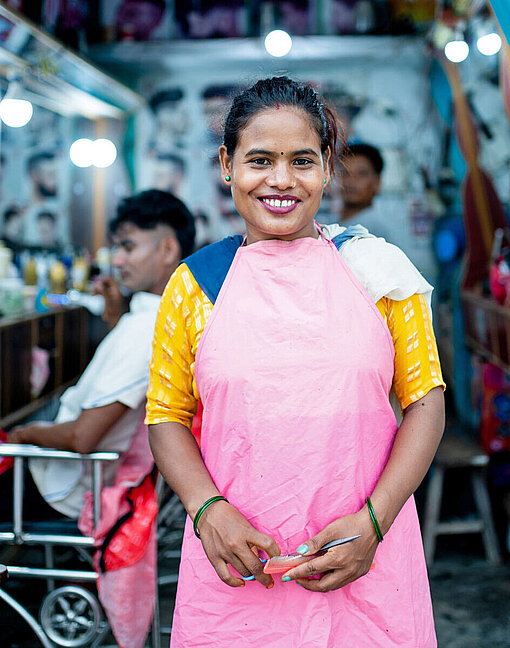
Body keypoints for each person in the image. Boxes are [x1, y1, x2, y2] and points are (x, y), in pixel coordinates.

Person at [146, 77, 445, 647]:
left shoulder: (380, 273)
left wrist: (373, 523)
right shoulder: (195, 285)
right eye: (260, 159)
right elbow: (166, 416)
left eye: (302, 160)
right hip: (236, 571)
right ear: (227, 164)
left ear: (327, 167)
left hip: (367, 563)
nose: (281, 180)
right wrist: (207, 508)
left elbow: (427, 402)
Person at [5, 189, 195, 520]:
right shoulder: (156, 318)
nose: (117, 259)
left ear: (167, 249)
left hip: (62, 489)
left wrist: (24, 433)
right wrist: (116, 319)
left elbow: (82, 437)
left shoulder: (145, 330)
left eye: (128, 247)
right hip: (72, 478)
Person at [339, 141, 393, 240]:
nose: (350, 181)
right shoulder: (333, 224)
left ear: (377, 181)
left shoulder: (373, 232)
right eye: (346, 172)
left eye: (361, 174)